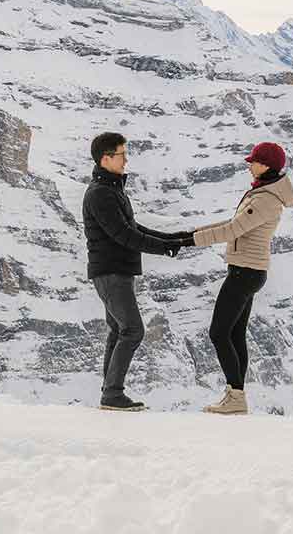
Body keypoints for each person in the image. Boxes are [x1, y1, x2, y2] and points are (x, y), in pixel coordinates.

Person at [185, 141, 293, 416]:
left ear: (267, 165)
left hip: (244, 273)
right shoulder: (264, 191)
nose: (249, 164)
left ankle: (235, 395)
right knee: (235, 334)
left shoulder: (265, 199)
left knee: (219, 332)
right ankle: (236, 394)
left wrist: (190, 241)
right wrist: (191, 233)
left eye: (254, 161)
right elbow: (231, 225)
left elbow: (233, 230)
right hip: (248, 270)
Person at [82, 131, 192, 411]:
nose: (126, 160)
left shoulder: (112, 189)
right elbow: (124, 236)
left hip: (117, 271)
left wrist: (171, 238)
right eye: (121, 154)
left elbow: (133, 227)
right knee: (132, 330)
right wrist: (163, 248)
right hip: (111, 272)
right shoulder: (101, 194)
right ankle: (112, 394)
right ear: (106, 158)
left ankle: (109, 392)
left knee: (118, 329)